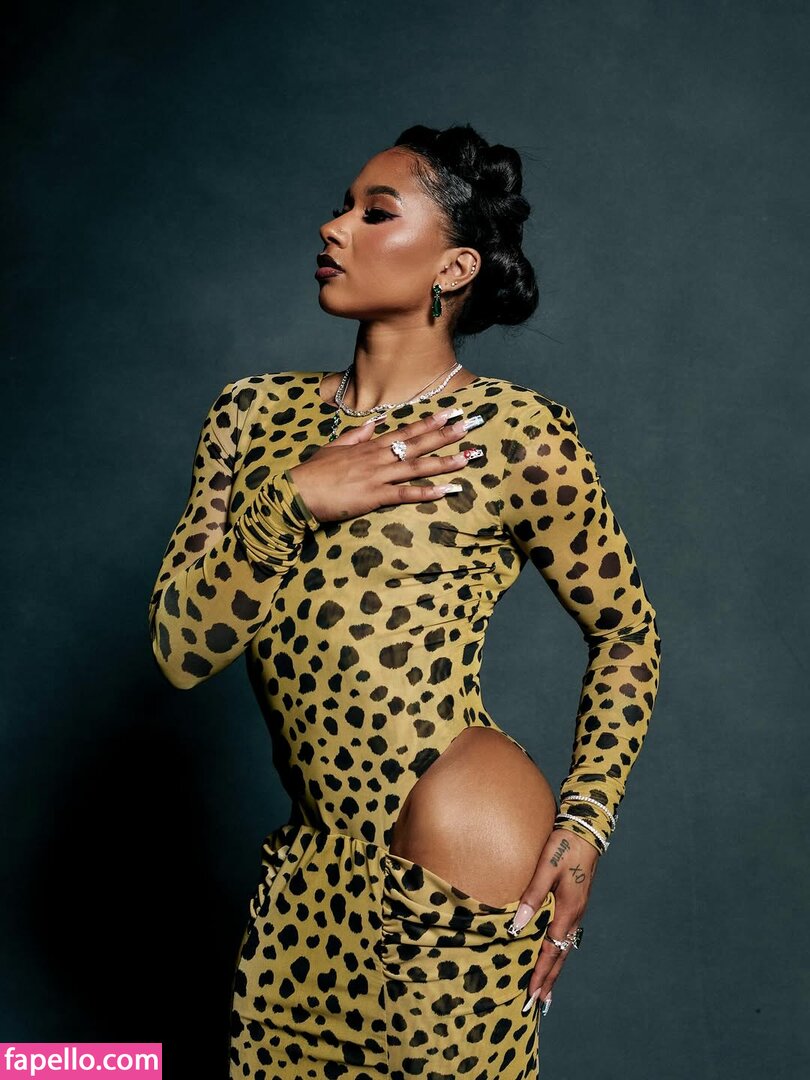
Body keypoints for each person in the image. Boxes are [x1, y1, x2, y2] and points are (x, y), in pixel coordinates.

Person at [147, 123, 662, 1079]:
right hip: (309, 868)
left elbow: (627, 632)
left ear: (454, 266)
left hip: (459, 825)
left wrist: (586, 821)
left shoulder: (513, 432)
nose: (333, 226)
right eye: (342, 205)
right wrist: (294, 498)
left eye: (375, 213)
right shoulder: (251, 416)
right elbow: (181, 652)